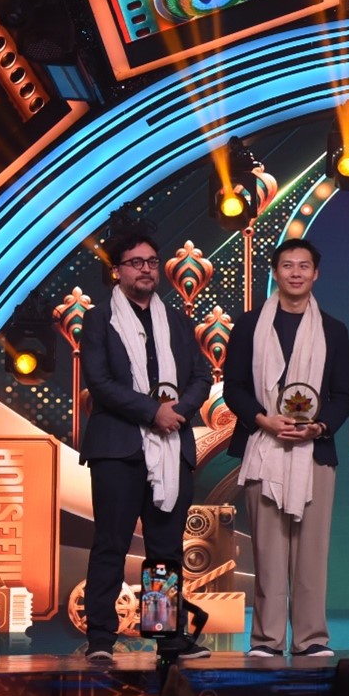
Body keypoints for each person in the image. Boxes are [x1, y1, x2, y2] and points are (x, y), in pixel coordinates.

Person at [80, 232, 212, 663]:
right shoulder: (100, 319)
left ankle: (166, 637)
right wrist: (152, 412)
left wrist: (178, 412)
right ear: (117, 271)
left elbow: (201, 377)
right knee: (111, 543)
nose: (146, 269)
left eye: (152, 262)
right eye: (135, 262)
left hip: (172, 446)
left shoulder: (176, 321)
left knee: (165, 551)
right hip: (118, 448)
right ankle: (101, 638)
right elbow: (100, 382)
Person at [224, 238, 349, 657]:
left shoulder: (333, 329)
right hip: (264, 447)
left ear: (316, 274)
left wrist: (319, 426)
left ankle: (311, 639)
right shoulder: (249, 325)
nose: (296, 273)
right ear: (275, 273)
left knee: (312, 553)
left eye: (304, 266)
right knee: (268, 553)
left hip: (314, 452)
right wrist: (263, 420)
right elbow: (234, 388)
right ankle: (267, 640)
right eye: (287, 265)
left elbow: (343, 394)